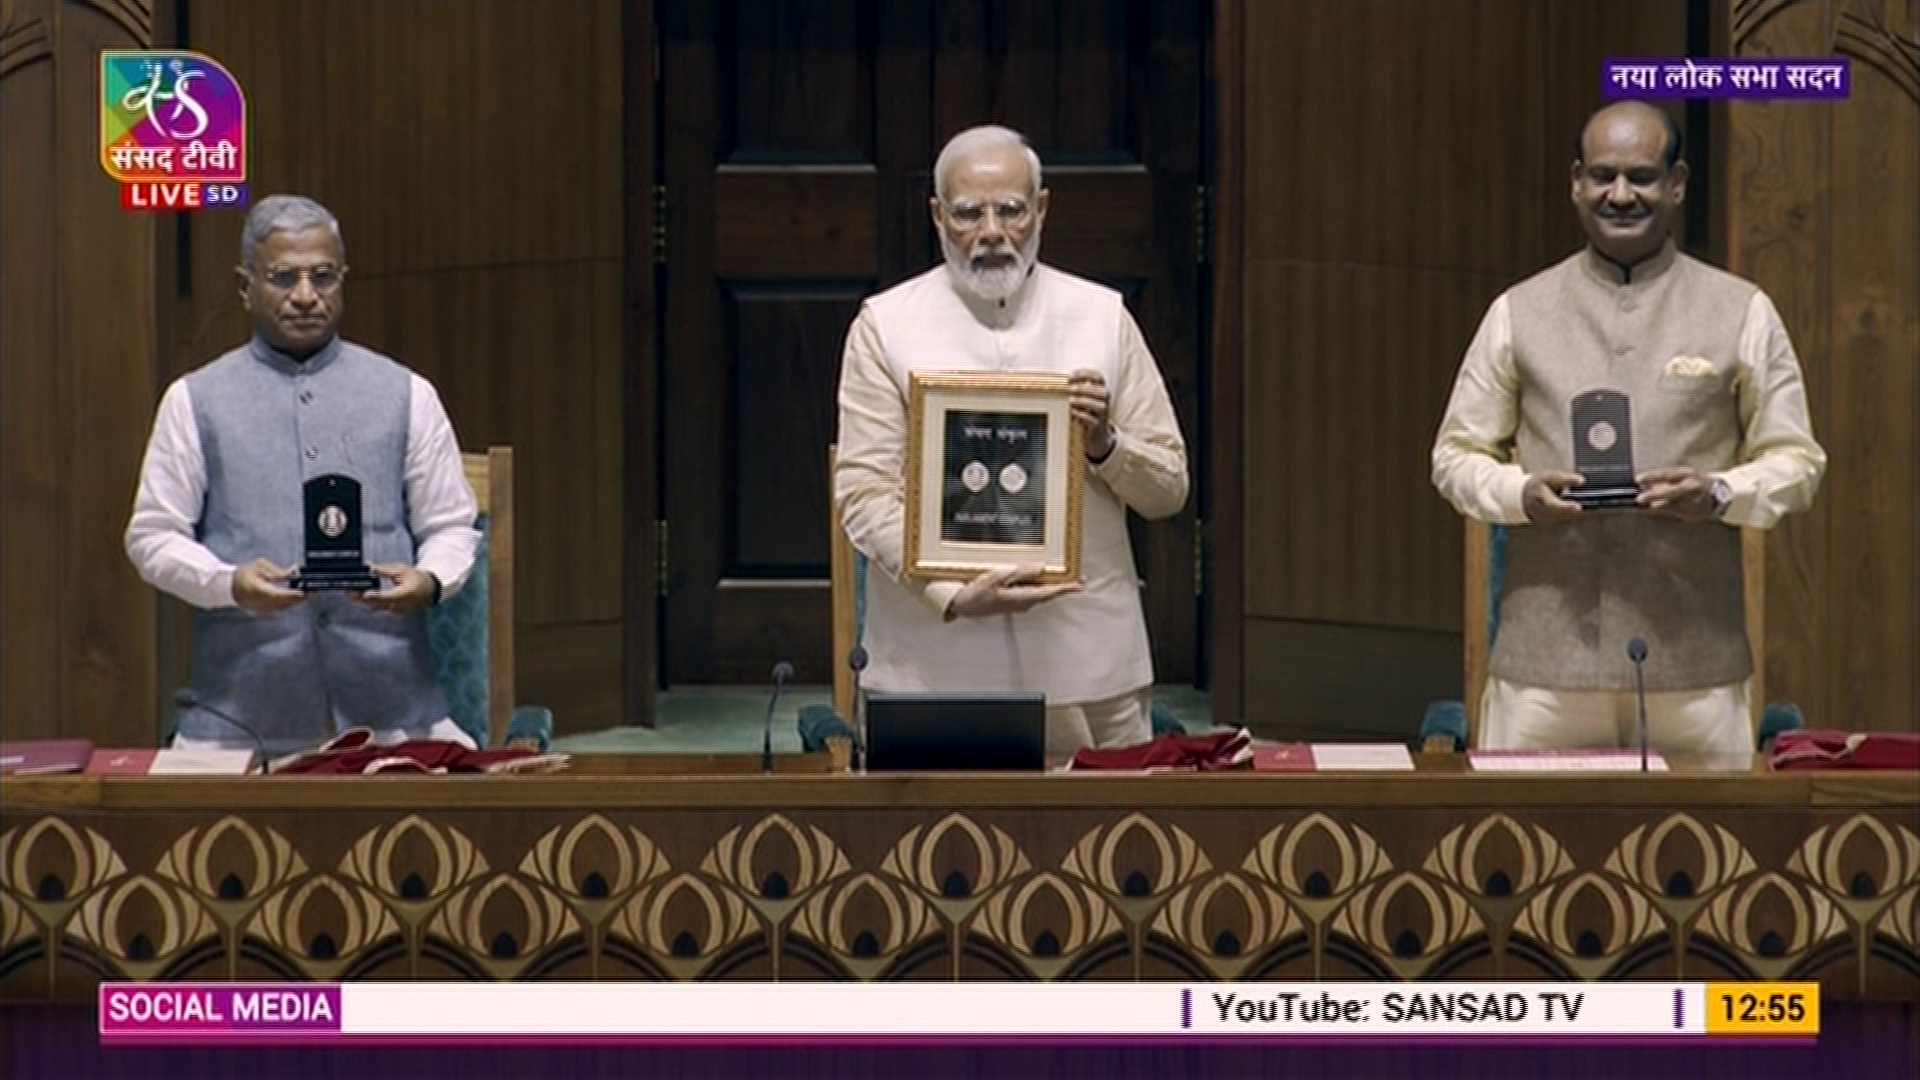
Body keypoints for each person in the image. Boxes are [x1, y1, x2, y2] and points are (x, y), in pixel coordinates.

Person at [1431, 102, 1826, 756]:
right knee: (1529, 852)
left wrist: (1718, 493)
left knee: (1712, 857)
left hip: (1694, 665)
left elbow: (1798, 461)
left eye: (1641, 176)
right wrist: (1520, 495)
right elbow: (1454, 455)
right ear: (1575, 183)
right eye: (1602, 176)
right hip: (1543, 668)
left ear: (1677, 184)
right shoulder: (1517, 312)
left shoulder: (1742, 311)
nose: (1620, 195)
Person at [834, 124, 1189, 756]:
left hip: (1089, 670)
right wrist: (950, 594)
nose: (992, 230)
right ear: (937, 216)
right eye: (969, 212)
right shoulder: (884, 327)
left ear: (1042, 209)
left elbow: (1167, 490)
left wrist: (1107, 445)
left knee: (1107, 851)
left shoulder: (1102, 317)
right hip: (932, 669)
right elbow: (863, 495)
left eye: (1011, 210)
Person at [125, 195, 482, 754]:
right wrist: (228, 583)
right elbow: (151, 537)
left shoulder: (406, 393)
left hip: (396, 718)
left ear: (344, 280)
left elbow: (452, 525)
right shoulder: (194, 400)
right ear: (245, 287)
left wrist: (430, 580)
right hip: (238, 723)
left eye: (323, 276)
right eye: (283, 277)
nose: (306, 296)